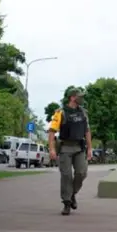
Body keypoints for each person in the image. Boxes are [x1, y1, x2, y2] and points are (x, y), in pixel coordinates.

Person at [48, 86, 93, 216]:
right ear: (72, 97)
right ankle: (67, 203)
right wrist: (52, 149)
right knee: (66, 176)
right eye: (80, 96)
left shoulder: (83, 112)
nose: (82, 99)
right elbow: (52, 132)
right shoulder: (60, 113)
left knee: (82, 173)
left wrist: (90, 148)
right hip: (65, 148)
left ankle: (72, 194)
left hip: (79, 148)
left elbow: (87, 131)